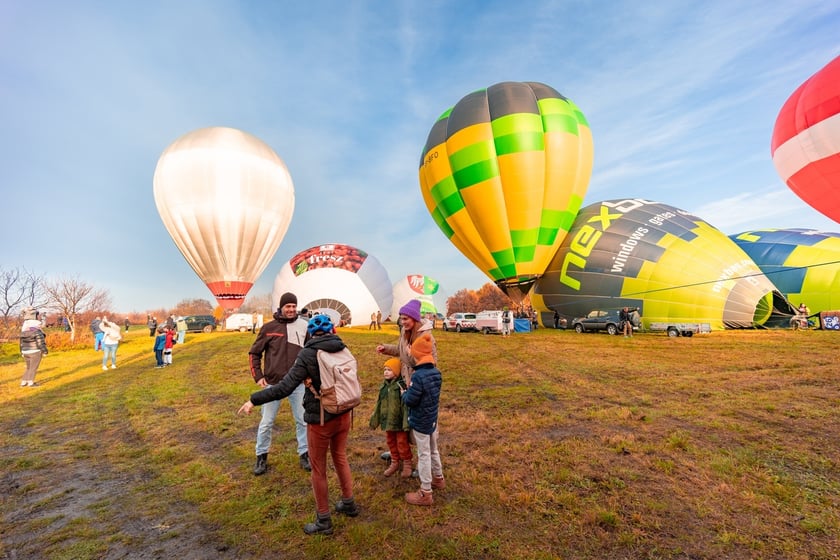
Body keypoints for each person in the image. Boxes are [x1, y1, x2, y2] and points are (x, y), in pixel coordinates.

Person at [238, 314, 360, 535]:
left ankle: (324, 519)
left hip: (321, 418)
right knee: (340, 457)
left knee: (318, 469)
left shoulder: (308, 353)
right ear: (332, 330)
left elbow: (284, 388)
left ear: (310, 334)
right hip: (344, 413)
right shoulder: (343, 347)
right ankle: (348, 502)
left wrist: (254, 399)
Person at [247, 292, 310, 476]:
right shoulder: (269, 328)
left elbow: (311, 353)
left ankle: (304, 454)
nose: (291, 309)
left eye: (293, 306)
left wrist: (309, 375)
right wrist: (258, 376)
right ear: (281, 307)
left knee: (303, 421)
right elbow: (254, 353)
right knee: (266, 422)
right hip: (273, 384)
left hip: (297, 384)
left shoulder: (304, 326)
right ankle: (261, 456)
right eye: (287, 306)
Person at [401, 332, 445, 506]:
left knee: (424, 453)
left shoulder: (418, 376)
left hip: (421, 420)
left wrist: (405, 394)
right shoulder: (436, 372)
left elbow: (412, 400)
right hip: (432, 418)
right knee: (434, 450)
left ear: (418, 355)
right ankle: (439, 477)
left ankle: (426, 491)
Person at [376, 299, 437, 388]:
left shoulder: (426, 338)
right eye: (401, 319)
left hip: (420, 381)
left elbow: (430, 365)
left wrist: (411, 353)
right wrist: (385, 348)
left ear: (414, 319)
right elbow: (400, 350)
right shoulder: (405, 331)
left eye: (405, 319)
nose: (402, 322)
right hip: (406, 377)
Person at [369, 357, 413, 478]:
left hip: (398, 422)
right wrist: (375, 419)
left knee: (402, 443)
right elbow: (379, 404)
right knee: (391, 442)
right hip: (387, 421)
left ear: (397, 371)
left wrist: (405, 423)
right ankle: (394, 461)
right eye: (385, 369)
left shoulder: (401, 386)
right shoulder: (383, 387)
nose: (386, 372)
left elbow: (405, 406)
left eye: (389, 369)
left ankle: (407, 463)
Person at [19, 308, 48, 387]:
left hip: (25, 351)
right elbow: (40, 343)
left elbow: (21, 343)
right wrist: (45, 351)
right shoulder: (37, 332)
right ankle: (31, 383)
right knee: (33, 368)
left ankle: (23, 382)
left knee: (28, 367)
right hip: (35, 351)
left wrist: (21, 352)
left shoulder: (23, 332)